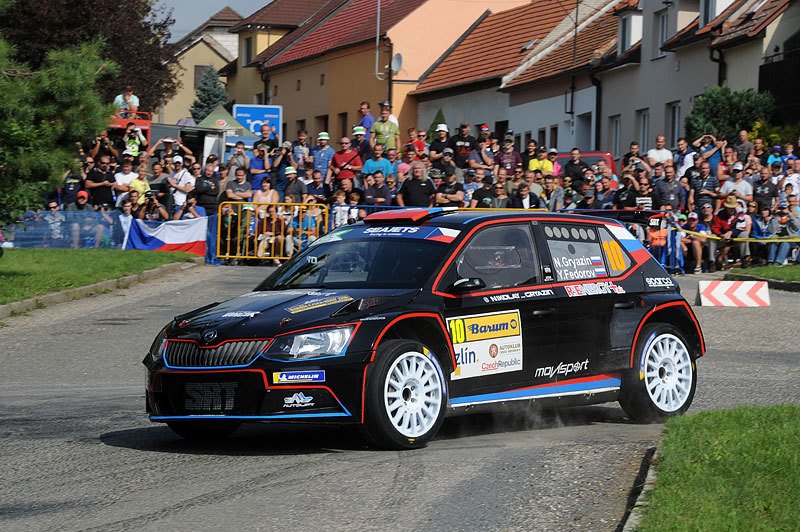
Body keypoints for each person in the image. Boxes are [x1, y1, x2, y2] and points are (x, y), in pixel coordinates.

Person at [766, 199, 800, 265]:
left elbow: (797, 227)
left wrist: (790, 215)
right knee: (773, 239)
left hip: (790, 237)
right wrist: (773, 218)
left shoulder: (792, 215)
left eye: (784, 208)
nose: (782, 210)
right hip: (778, 235)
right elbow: (771, 230)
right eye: (781, 208)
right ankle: (770, 260)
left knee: (786, 241)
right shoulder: (776, 216)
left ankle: (778, 261)